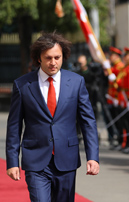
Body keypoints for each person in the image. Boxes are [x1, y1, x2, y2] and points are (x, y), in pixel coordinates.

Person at [6, 32, 99, 202]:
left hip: (67, 159)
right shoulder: (23, 85)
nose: (53, 62)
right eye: (48, 58)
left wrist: (92, 156)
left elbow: (88, 122)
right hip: (35, 160)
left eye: (57, 57)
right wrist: (12, 161)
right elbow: (14, 126)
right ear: (38, 58)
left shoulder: (76, 82)